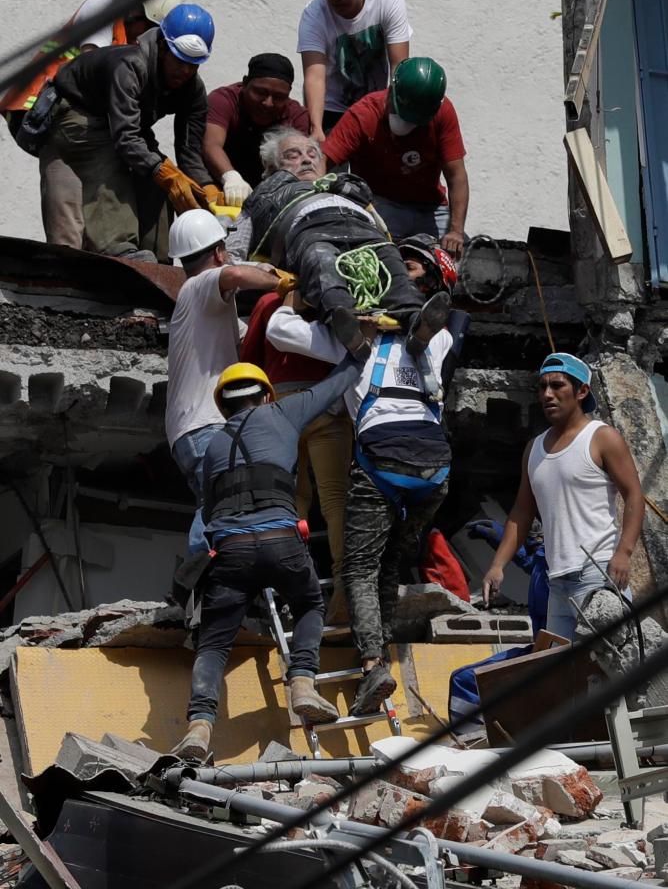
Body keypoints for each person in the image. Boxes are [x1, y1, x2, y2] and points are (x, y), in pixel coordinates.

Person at [267, 235, 463, 716]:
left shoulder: (363, 339)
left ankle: (375, 663)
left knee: (358, 567)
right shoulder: (439, 339)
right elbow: (425, 321)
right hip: (434, 468)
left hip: (383, 462)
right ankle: (382, 658)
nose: (402, 269)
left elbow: (277, 328)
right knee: (390, 566)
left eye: (413, 265)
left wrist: (310, 294)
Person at [173, 352, 368, 761]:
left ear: (223, 404)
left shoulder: (213, 448)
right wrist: (359, 350)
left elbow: (209, 511)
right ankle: (301, 683)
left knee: (213, 644)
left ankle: (199, 727)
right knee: (311, 603)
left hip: (230, 553)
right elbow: (335, 384)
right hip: (282, 540)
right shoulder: (282, 412)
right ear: (265, 396)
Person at [224, 127, 452, 358]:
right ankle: (347, 324)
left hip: (362, 228)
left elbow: (381, 227)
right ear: (272, 168)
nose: (305, 160)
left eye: (312, 154)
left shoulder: (346, 187)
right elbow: (232, 256)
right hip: (310, 232)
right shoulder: (260, 198)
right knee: (320, 258)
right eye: (292, 155)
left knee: (390, 258)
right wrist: (263, 271)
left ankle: (416, 323)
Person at [482, 353, 645, 642]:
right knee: (561, 680)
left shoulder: (602, 437)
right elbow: (521, 512)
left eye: (558, 386)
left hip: (598, 575)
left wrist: (624, 553)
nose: (547, 394)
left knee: (607, 674)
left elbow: (634, 495)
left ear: (582, 392)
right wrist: (497, 566)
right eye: (542, 386)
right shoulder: (533, 448)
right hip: (556, 582)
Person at [0, 0, 179, 251]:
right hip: (53, 113)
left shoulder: (135, 48)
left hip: (86, 122)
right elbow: (92, 66)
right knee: (68, 219)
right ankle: (64, 272)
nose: (152, 39)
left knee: (99, 206)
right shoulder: (103, 7)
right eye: (152, 30)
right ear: (135, 14)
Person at [47, 4, 221, 261]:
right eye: (179, 60)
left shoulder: (192, 91)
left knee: (161, 178)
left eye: (193, 64)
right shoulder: (130, 66)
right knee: (109, 159)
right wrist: (163, 172)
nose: (184, 71)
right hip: (76, 111)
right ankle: (118, 249)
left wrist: (206, 187)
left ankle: (158, 256)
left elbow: (189, 150)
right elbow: (126, 139)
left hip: (120, 123)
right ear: (162, 46)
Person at [165, 209, 280, 555]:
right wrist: (283, 282)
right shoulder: (198, 286)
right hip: (204, 425)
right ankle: (197, 579)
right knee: (218, 501)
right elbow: (235, 274)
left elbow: (249, 340)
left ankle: (210, 580)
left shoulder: (208, 311)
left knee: (219, 499)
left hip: (190, 429)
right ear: (217, 252)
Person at [240, 291, 353, 623]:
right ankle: (346, 590)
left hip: (281, 406)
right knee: (335, 500)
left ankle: (294, 589)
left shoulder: (270, 301)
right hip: (327, 400)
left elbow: (249, 362)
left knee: (291, 499)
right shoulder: (337, 298)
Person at [322, 56, 469, 255]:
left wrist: (456, 231)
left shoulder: (443, 112)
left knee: (459, 258)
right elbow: (323, 162)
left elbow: (456, 176)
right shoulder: (363, 115)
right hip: (381, 204)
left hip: (430, 208)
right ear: (391, 91)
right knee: (382, 255)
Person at [297, 0, 411, 141]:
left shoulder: (388, 0)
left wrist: (395, 114)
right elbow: (314, 76)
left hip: (378, 105)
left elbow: (399, 67)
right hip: (332, 111)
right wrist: (316, 129)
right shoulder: (314, 15)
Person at [204, 53, 309, 205]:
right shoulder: (223, 100)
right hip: (218, 190)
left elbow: (296, 164)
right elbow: (211, 145)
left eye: (279, 97)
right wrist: (230, 176)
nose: (268, 103)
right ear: (245, 83)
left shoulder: (297, 117)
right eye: (260, 92)